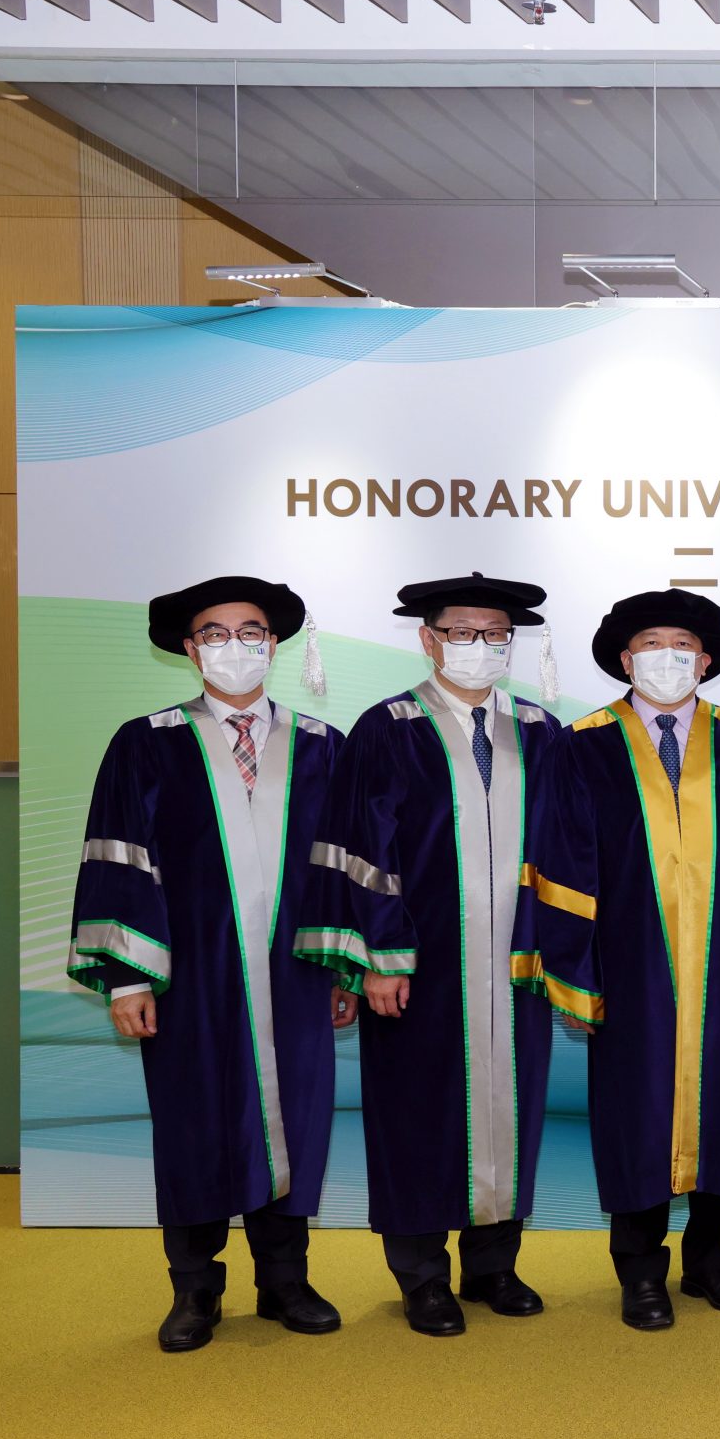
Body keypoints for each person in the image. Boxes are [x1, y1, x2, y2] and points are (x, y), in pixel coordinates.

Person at [69, 576, 353, 1352]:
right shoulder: (146, 741)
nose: (236, 645)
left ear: (274, 643)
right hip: (189, 977)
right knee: (194, 1123)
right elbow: (119, 860)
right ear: (190, 649)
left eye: (251, 630)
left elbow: (337, 865)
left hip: (294, 974)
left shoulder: (320, 744)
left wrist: (340, 965)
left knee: (295, 1121)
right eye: (217, 633)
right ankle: (195, 1290)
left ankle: (285, 1281)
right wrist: (128, 976)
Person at [514, 590, 720, 1330]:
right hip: (632, 964)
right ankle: (640, 1271)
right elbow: (562, 861)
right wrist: (578, 968)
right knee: (634, 1115)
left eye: (683, 643)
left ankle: (712, 1260)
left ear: (705, 659)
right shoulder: (584, 744)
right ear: (625, 657)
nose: (668, 655)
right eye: (651, 642)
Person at [299, 574, 561, 1337]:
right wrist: (380, 956)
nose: (479, 647)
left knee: (511, 1110)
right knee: (416, 1112)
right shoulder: (387, 727)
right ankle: (421, 1275)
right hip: (420, 963)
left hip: (518, 963)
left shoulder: (540, 730)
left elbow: (567, 851)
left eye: (495, 634)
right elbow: (360, 849)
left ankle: (494, 1265)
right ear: (428, 638)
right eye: (461, 632)